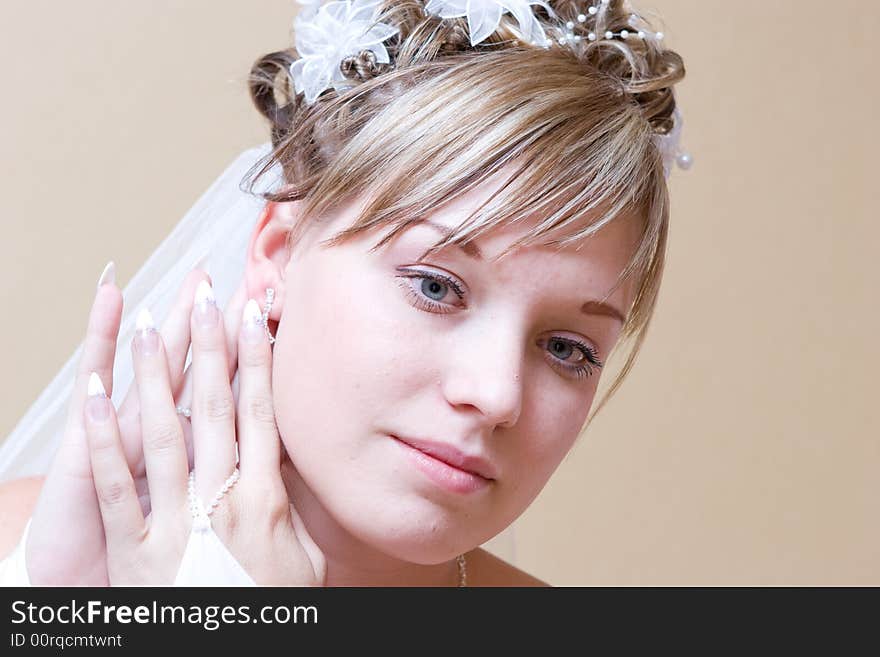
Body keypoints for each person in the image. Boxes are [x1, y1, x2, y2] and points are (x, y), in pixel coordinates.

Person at [0, 0, 689, 586]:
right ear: (276, 257)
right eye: (435, 285)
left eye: (568, 348)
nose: (499, 394)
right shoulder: (31, 550)